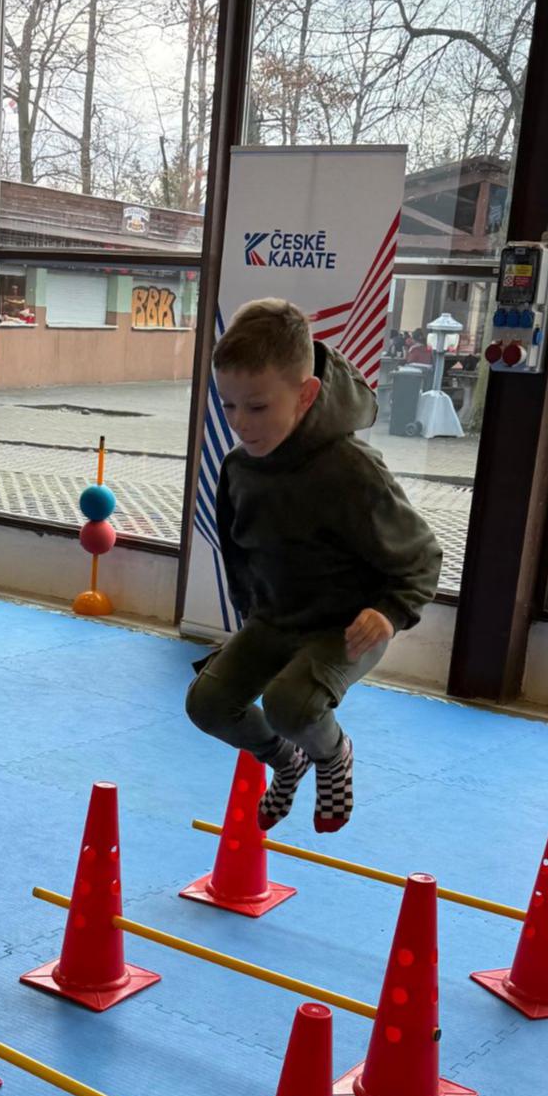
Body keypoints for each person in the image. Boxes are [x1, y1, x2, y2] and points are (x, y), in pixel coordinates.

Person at [185, 299, 441, 836]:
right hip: (277, 619)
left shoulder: (352, 471)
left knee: (290, 705)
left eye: (257, 407)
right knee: (207, 704)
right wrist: (248, 620)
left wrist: (389, 612)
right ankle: (288, 760)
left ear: (305, 395)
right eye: (228, 406)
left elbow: (421, 556)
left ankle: (332, 754)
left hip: (347, 627)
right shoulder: (239, 469)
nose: (240, 423)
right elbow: (240, 552)